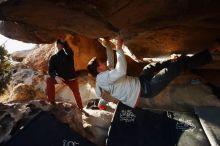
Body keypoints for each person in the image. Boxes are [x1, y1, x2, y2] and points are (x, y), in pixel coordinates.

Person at [87, 36, 212, 110]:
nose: (104, 62)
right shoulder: (103, 79)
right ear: (99, 69)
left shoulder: (103, 76)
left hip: (140, 82)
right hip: (146, 89)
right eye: (101, 62)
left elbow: (110, 61)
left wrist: (108, 45)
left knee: (150, 66)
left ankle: (172, 60)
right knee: (177, 66)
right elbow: (121, 71)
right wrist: (119, 48)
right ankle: (210, 52)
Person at [46, 39, 83, 110]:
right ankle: (52, 102)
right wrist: (56, 77)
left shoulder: (69, 55)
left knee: (77, 93)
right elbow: (50, 71)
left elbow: (69, 50)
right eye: (59, 44)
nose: (60, 45)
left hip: (71, 79)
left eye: (61, 44)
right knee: (49, 80)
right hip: (61, 79)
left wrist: (64, 42)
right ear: (56, 45)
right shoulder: (53, 58)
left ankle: (81, 108)